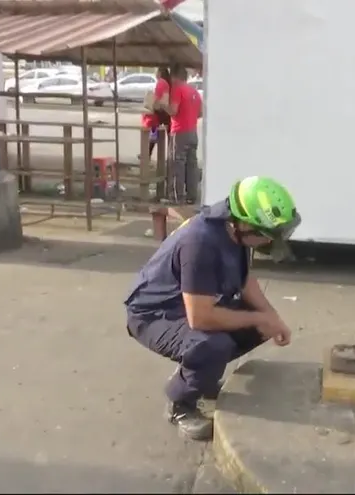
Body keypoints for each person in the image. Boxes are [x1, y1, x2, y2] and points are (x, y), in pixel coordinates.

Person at [124, 176, 302, 441]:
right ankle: (180, 403)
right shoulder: (201, 242)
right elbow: (200, 317)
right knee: (211, 344)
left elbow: (244, 280)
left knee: (259, 324)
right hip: (153, 315)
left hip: (188, 305)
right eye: (266, 236)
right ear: (243, 224)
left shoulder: (233, 231)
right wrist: (257, 316)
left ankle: (200, 375)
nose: (268, 243)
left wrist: (271, 318)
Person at [166, 66, 203, 203]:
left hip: (179, 131)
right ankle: (192, 196)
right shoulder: (194, 91)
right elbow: (200, 113)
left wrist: (163, 105)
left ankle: (177, 197)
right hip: (192, 132)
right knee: (191, 165)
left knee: (177, 164)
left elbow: (173, 110)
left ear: (174, 77)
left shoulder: (177, 89)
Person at [139, 67, 171, 160]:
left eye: (156, 71)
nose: (155, 74)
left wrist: (151, 106)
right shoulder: (167, 82)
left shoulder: (161, 82)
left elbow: (156, 98)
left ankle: (147, 153)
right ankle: (170, 155)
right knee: (169, 134)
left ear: (160, 73)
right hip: (166, 112)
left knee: (154, 130)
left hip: (160, 111)